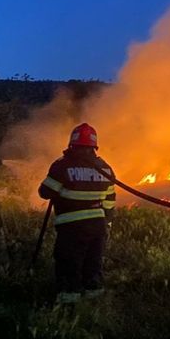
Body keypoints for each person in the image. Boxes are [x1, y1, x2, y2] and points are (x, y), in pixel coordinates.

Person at [37, 122, 116, 304]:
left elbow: (45, 192)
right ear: (94, 146)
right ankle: (93, 299)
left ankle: (69, 302)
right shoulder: (105, 168)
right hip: (98, 226)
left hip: (71, 226)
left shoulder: (62, 165)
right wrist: (108, 223)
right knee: (93, 263)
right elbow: (110, 200)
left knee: (68, 262)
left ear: (72, 144)